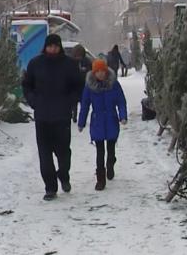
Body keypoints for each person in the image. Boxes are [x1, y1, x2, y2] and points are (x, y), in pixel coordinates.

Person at [22, 34, 77, 201]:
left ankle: (64, 175)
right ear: (45, 47)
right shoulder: (35, 64)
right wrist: (33, 101)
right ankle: (50, 188)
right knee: (45, 155)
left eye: (55, 46)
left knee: (63, 153)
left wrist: (70, 102)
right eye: (50, 46)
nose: (53, 49)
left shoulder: (69, 64)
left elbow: (77, 86)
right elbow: (27, 85)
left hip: (62, 117)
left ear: (60, 47)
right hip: (42, 117)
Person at [77, 59, 127, 191]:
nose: (100, 74)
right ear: (94, 73)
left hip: (111, 120)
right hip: (97, 121)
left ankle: (110, 164)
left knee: (110, 149)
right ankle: (100, 179)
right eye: (97, 71)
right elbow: (85, 105)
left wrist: (123, 116)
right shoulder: (89, 87)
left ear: (106, 71)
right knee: (100, 152)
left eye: (102, 71)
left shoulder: (114, 84)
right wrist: (81, 122)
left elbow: (121, 101)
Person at [69, 44, 91, 123]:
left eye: (80, 55)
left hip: (84, 86)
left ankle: (83, 118)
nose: (78, 57)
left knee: (84, 104)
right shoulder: (70, 61)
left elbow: (90, 72)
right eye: (77, 55)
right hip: (74, 86)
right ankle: (74, 116)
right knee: (74, 104)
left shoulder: (87, 61)